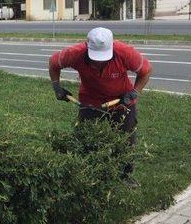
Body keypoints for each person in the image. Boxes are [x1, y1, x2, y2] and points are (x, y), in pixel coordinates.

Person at [48, 27, 152, 184]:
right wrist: (57, 87)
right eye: (95, 57)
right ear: (87, 45)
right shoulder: (75, 53)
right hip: (90, 101)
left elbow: (146, 70)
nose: (99, 61)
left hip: (122, 101)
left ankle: (125, 175)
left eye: (103, 57)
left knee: (126, 138)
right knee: (85, 135)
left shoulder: (124, 52)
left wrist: (134, 93)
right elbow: (53, 63)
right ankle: (85, 170)